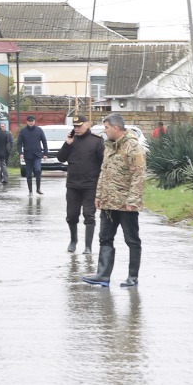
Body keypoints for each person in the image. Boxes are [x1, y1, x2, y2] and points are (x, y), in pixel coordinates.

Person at [82, 114, 146, 287]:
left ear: (116, 128)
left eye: (106, 127)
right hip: (109, 202)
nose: (104, 130)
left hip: (127, 204)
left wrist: (132, 200)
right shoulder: (109, 146)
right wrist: (99, 196)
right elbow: (103, 173)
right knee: (105, 238)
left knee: (131, 239)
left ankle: (132, 278)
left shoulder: (133, 147)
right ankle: (103, 275)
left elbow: (138, 175)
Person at [56, 115, 103, 253]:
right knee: (71, 215)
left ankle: (88, 246)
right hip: (73, 185)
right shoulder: (72, 140)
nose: (76, 129)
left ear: (87, 124)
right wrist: (67, 143)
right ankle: (73, 240)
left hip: (90, 185)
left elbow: (104, 163)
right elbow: (60, 158)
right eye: (75, 126)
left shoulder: (97, 141)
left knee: (89, 215)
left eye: (79, 126)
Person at [17, 114, 48, 194]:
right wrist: (20, 153)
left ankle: (38, 189)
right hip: (27, 155)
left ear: (34, 121)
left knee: (38, 170)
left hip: (37, 154)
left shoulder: (39, 130)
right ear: (27, 122)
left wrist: (45, 153)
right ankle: (30, 190)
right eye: (29, 121)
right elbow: (19, 143)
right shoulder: (23, 131)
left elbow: (44, 142)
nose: (31, 123)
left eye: (32, 121)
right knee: (29, 173)